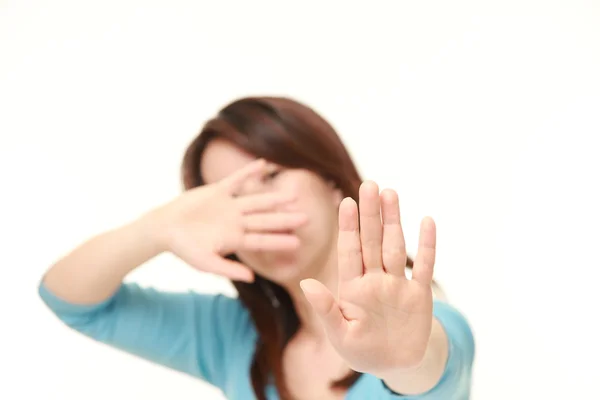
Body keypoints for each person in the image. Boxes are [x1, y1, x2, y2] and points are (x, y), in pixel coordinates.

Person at [39, 96, 475, 399]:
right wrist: (157, 227)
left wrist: (403, 362)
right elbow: (69, 298)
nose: (257, 210)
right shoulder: (233, 338)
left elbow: (429, 365)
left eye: (270, 177)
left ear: (328, 178)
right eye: (232, 198)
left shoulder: (418, 323)